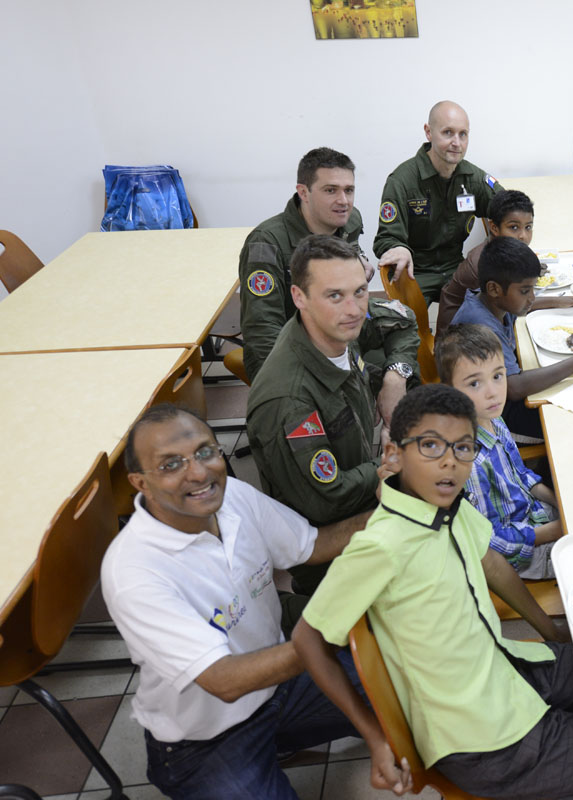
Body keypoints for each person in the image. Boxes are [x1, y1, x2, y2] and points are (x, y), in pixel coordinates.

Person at [292, 384, 573, 800]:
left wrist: (550, 633)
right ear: (393, 454)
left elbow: (493, 564)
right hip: (483, 739)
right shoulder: (381, 545)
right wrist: (375, 738)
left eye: (464, 448)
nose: (449, 462)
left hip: (509, 668)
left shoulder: (450, 506)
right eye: (430, 445)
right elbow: (307, 638)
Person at [100, 404, 373, 800]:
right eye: (171, 464)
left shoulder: (232, 498)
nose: (198, 472)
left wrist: (394, 517)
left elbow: (312, 544)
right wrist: (331, 624)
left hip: (278, 688)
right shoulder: (135, 571)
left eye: (206, 452)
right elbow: (223, 681)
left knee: (406, 684)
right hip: (207, 738)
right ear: (140, 483)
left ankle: (283, 738)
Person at [246, 235, 393, 596]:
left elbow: (401, 324)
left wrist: (396, 379)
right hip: (333, 553)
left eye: (360, 291)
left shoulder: (331, 330)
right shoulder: (289, 400)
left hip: (369, 497)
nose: (355, 309)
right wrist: (388, 465)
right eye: (335, 295)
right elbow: (328, 497)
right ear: (299, 297)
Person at [238, 147, 420, 386]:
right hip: (293, 349)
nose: (343, 201)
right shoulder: (266, 244)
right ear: (303, 192)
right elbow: (263, 332)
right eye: (330, 190)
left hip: (340, 328)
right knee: (364, 385)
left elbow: (350, 253)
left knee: (405, 366)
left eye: (349, 190)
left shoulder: (350, 220)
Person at [450, 237, 573, 439]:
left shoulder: (489, 301)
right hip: (497, 418)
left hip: (496, 399)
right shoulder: (482, 328)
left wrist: (557, 301)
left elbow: (517, 306)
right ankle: (548, 465)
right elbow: (514, 388)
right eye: (525, 290)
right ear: (494, 288)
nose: (531, 297)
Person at [438, 323, 563, 578]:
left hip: (532, 515)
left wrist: (560, 504)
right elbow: (491, 542)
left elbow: (522, 476)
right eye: (475, 384)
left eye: (497, 376)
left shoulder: (493, 419)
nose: (493, 392)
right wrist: (557, 530)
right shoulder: (468, 462)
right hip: (520, 556)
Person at [374, 100, 504, 306]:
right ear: (428, 132)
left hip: (455, 267)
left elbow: (505, 207)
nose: (457, 142)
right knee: (405, 330)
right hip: (415, 271)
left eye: (463, 134)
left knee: (488, 311)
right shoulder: (402, 180)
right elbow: (386, 238)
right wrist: (399, 247)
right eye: (448, 133)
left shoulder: (472, 177)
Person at [436, 189, 573, 338]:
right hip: (458, 343)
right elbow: (512, 303)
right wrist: (556, 301)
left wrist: (557, 300)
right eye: (514, 227)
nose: (523, 236)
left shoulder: (502, 250)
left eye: (528, 227)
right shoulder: (484, 264)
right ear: (494, 227)